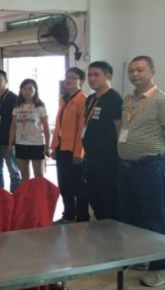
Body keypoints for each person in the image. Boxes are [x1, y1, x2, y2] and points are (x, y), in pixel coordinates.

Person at [118, 56, 165, 287]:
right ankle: (142, 258)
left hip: (150, 167)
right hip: (128, 167)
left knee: (155, 219)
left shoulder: (160, 100)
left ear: (152, 72)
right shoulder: (128, 100)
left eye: (140, 70)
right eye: (131, 70)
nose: (135, 74)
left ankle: (160, 268)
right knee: (132, 219)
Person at [83, 61, 122, 221]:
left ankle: (111, 229)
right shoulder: (90, 99)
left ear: (108, 76)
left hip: (108, 158)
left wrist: (119, 154)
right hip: (91, 156)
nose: (92, 78)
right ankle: (100, 226)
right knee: (94, 195)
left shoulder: (114, 98)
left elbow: (119, 128)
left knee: (107, 197)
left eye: (96, 75)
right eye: (89, 75)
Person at [51, 68, 88, 224]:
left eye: (73, 78)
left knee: (78, 186)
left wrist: (79, 152)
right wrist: (54, 146)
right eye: (67, 77)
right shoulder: (63, 99)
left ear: (81, 81)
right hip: (61, 148)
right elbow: (58, 125)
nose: (69, 80)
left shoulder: (83, 100)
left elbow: (82, 129)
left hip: (74, 151)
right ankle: (68, 214)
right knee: (64, 184)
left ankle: (82, 217)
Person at [7, 79, 50, 182]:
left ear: (35, 90)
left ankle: (39, 193)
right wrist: (10, 144)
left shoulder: (40, 107)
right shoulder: (17, 106)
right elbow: (13, 126)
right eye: (24, 89)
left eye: (30, 89)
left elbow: (46, 127)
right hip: (20, 143)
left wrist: (48, 146)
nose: (27, 91)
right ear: (21, 90)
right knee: (24, 175)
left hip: (37, 144)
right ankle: (26, 193)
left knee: (38, 175)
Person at [0, 70, 21, 192]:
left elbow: (16, 122)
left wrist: (12, 142)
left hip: (9, 141)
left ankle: (15, 195)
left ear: (6, 81)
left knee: (14, 170)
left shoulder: (14, 98)